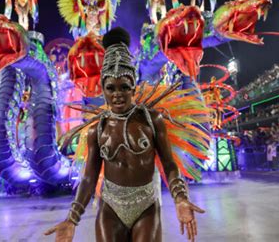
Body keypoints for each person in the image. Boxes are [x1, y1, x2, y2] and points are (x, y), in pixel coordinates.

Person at [45, 27, 206, 242]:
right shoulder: (96, 130)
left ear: (133, 87)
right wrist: (72, 218)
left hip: (146, 204)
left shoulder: (152, 120)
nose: (117, 94)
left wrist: (180, 198)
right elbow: (89, 177)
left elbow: (168, 164)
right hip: (110, 207)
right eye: (111, 88)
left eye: (124, 87)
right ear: (103, 89)